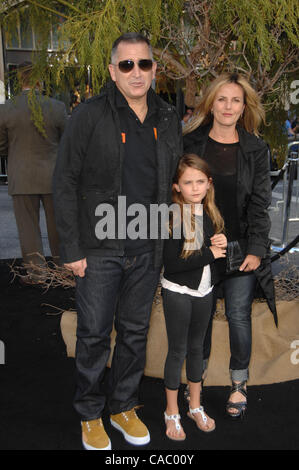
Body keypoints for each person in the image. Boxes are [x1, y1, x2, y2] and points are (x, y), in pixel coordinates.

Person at [53, 32, 182, 450]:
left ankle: (123, 406)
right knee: (92, 333)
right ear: (112, 71)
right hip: (99, 247)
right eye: (126, 65)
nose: (136, 72)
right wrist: (71, 250)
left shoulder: (167, 116)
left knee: (134, 332)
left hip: (148, 247)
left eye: (143, 64)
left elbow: (174, 183)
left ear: (154, 69)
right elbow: (65, 181)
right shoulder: (88, 115)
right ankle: (90, 413)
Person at [183, 72, 277, 419]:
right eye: (221, 99)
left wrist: (255, 249)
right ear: (210, 103)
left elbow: (260, 205)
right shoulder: (190, 143)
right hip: (200, 249)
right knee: (201, 317)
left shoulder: (255, 148)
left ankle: (239, 383)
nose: (228, 106)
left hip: (240, 250)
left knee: (239, 316)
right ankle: (198, 380)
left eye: (235, 100)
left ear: (244, 106)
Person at [161, 154, 226, 440]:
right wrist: (208, 253)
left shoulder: (211, 213)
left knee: (198, 349)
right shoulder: (173, 216)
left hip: (205, 291)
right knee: (178, 351)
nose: (195, 187)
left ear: (209, 184)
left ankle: (195, 406)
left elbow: (217, 258)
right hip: (178, 292)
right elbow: (173, 265)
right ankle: (171, 412)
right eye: (188, 182)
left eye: (201, 181)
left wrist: (224, 243)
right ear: (177, 187)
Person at [0, 61, 67, 284]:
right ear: (40, 80)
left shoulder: (7, 109)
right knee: (58, 225)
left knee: (28, 227)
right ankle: (62, 268)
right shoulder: (56, 107)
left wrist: (16, 152)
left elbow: (1, 145)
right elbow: (67, 141)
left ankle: (37, 273)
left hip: (22, 175)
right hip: (53, 176)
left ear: (20, 80)